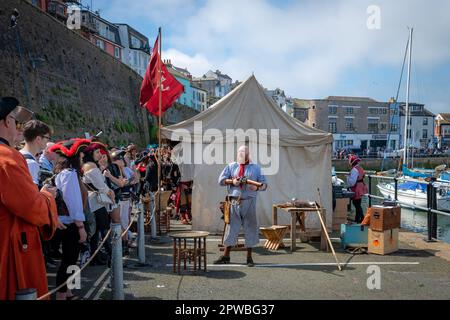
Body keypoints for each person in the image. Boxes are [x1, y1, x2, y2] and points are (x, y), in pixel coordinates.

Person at [0, 97, 59, 300]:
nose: (20, 130)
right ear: (6, 121)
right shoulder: (7, 158)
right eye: (18, 123)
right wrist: (47, 196)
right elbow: (32, 207)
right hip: (11, 248)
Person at [50, 138, 90, 300]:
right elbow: (72, 203)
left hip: (67, 223)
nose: (82, 159)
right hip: (71, 224)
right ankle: (62, 295)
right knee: (69, 260)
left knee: (71, 259)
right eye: (80, 156)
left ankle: (69, 292)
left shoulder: (63, 173)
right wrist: (81, 228)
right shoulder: (70, 174)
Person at [214, 145, 267, 267]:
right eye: (241, 154)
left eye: (245, 154)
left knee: (250, 228)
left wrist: (257, 187)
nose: (243, 156)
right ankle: (226, 255)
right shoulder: (232, 166)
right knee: (231, 228)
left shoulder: (256, 168)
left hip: (249, 201)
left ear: (248, 155)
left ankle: (249, 257)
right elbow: (221, 180)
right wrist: (232, 181)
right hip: (234, 202)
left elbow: (264, 184)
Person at [82, 142, 115, 266]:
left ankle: (95, 257)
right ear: (90, 153)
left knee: (96, 231)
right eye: (96, 152)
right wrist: (110, 192)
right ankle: (111, 256)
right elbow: (100, 185)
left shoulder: (87, 165)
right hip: (96, 201)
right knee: (104, 228)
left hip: (92, 200)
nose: (99, 154)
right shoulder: (91, 166)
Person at [19, 120, 53, 187]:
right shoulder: (32, 164)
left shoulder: (18, 154)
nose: (48, 141)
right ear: (38, 139)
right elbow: (32, 195)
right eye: (47, 138)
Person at [346, 154, 368, 223]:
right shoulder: (360, 168)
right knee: (358, 203)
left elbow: (352, 182)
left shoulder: (354, 170)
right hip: (361, 186)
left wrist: (347, 177)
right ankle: (359, 218)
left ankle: (361, 218)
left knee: (356, 204)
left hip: (357, 188)